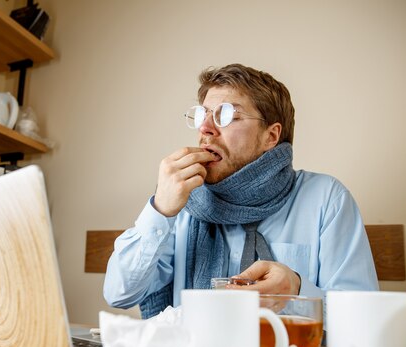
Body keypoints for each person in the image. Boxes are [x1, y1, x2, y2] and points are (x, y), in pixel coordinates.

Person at [104, 63, 378, 319]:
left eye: (225, 115)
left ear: (270, 136)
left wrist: (297, 289)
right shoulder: (181, 205)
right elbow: (119, 294)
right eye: (203, 114)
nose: (205, 128)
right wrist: (160, 209)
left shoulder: (326, 199)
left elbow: (362, 317)